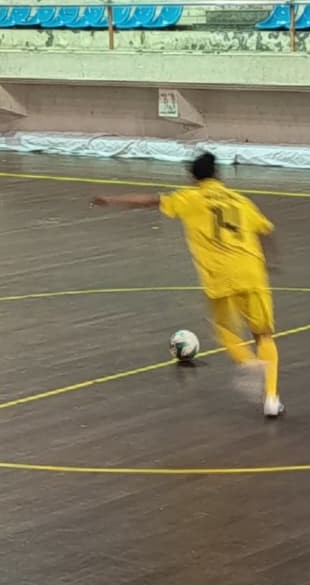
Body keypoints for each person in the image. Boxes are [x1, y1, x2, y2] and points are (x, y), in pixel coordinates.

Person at [92, 152, 284, 417]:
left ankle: (249, 363)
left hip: (220, 275)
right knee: (263, 334)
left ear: (193, 178)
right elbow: (266, 231)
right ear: (218, 174)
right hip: (252, 271)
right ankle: (271, 398)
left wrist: (111, 199)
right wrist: (271, 262)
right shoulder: (241, 201)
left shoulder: (190, 197)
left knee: (222, 328)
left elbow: (150, 201)